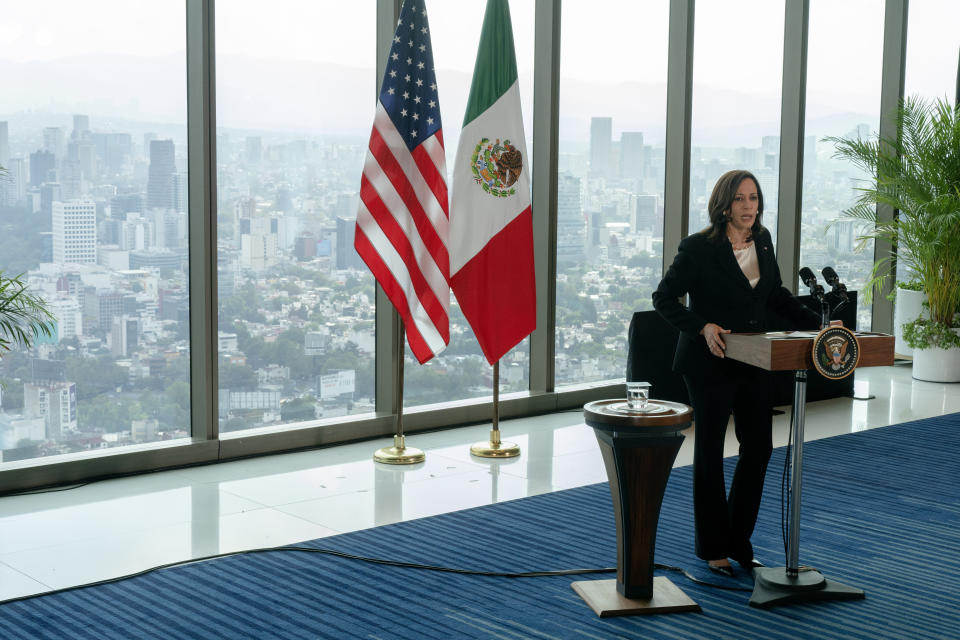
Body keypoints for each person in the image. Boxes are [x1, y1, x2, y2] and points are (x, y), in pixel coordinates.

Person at [652, 169, 820, 576]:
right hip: (709, 360)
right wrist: (702, 326)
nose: (749, 206)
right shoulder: (697, 248)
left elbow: (776, 295)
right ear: (725, 205)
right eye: (741, 199)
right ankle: (713, 547)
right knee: (709, 452)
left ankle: (738, 541)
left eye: (754, 198)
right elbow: (663, 297)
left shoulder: (762, 240)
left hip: (754, 358)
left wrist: (820, 323)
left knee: (759, 446)